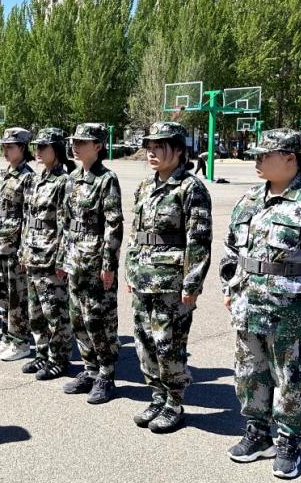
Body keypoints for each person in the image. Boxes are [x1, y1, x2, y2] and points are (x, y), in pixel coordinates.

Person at [220, 128, 301, 479]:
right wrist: (228, 285)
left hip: (292, 308)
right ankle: (257, 433)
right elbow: (232, 247)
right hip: (249, 303)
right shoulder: (250, 199)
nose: (257, 160)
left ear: (290, 158)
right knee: (249, 372)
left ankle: (290, 440)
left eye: (265, 155)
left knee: (293, 377)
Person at [125, 122, 212, 434]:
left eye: (159, 147)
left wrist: (192, 283)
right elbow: (136, 234)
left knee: (169, 344)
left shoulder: (190, 189)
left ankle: (174, 402)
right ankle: (157, 396)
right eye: (149, 147)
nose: (151, 152)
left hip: (171, 282)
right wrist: (130, 269)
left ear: (177, 150)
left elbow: (198, 240)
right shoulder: (144, 187)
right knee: (144, 342)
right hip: (143, 277)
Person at [58, 123, 124, 405]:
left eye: (82, 142)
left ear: (97, 146)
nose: (75, 146)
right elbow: (65, 221)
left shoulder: (106, 179)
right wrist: (61, 258)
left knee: (99, 320)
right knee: (77, 319)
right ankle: (90, 369)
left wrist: (109, 264)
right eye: (74, 141)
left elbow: (113, 224)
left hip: (95, 261)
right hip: (74, 258)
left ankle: (106, 375)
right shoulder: (72, 178)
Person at [20, 128, 74, 380]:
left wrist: (61, 259)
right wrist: (23, 250)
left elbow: (66, 224)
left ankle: (59, 358)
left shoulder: (64, 182)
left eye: (44, 146)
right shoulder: (36, 179)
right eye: (37, 146)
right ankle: (42, 353)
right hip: (33, 253)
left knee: (55, 312)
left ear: (57, 150)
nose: (38, 151)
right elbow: (27, 218)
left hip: (50, 255)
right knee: (36, 311)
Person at [0, 127, 35, 362]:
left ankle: (21, 341)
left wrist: (24, 249)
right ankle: (7, 336)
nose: (5, 151)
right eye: (3, 147)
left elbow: (29, 217)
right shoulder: (2, 175)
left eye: (10, 147)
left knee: (17, 296)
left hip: (14, 245)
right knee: (1, 292)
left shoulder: (28, 178)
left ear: (22, 148)